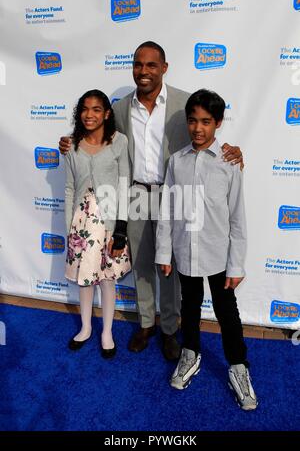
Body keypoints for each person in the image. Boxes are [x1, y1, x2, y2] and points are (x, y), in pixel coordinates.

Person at [59, 41, 243, 361]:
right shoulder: (118, 109)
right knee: (143, 261)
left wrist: (233, 151)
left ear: (164, 68)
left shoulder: (184, 102)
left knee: (168, 265)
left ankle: (171, 328)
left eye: (151, 65)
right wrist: (70, 141)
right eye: (138, 64)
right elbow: (98, 137)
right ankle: (146, 323)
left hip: (174, 194)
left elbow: (204, 131)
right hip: (135, 194)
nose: (143, 71)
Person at [155, 89, 257, 411]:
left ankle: (238, 366)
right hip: (186, 253)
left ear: (218, 123)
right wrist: (163, 253)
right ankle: (191, 353)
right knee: (190, 308)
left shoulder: (229, 164)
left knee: (228, 313)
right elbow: (168, 211)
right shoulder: (177, 162)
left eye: (206, 122)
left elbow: (237, 217)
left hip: (218, 255)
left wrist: (236, 265)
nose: (198, 128)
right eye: (192, 121)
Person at [64, 89, 131, 359]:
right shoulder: (71, 145)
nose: (89, 114)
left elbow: (124, 186)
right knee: (84, 278)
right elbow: (70, 187)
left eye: (95, 109)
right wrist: (69, 226)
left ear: (106, 113)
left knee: (107, 278)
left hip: (109, 221)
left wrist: (121, 230)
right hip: (81, 223)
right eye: (84, 109)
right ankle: (85, 327)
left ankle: (107, 332)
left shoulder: (119, 142)